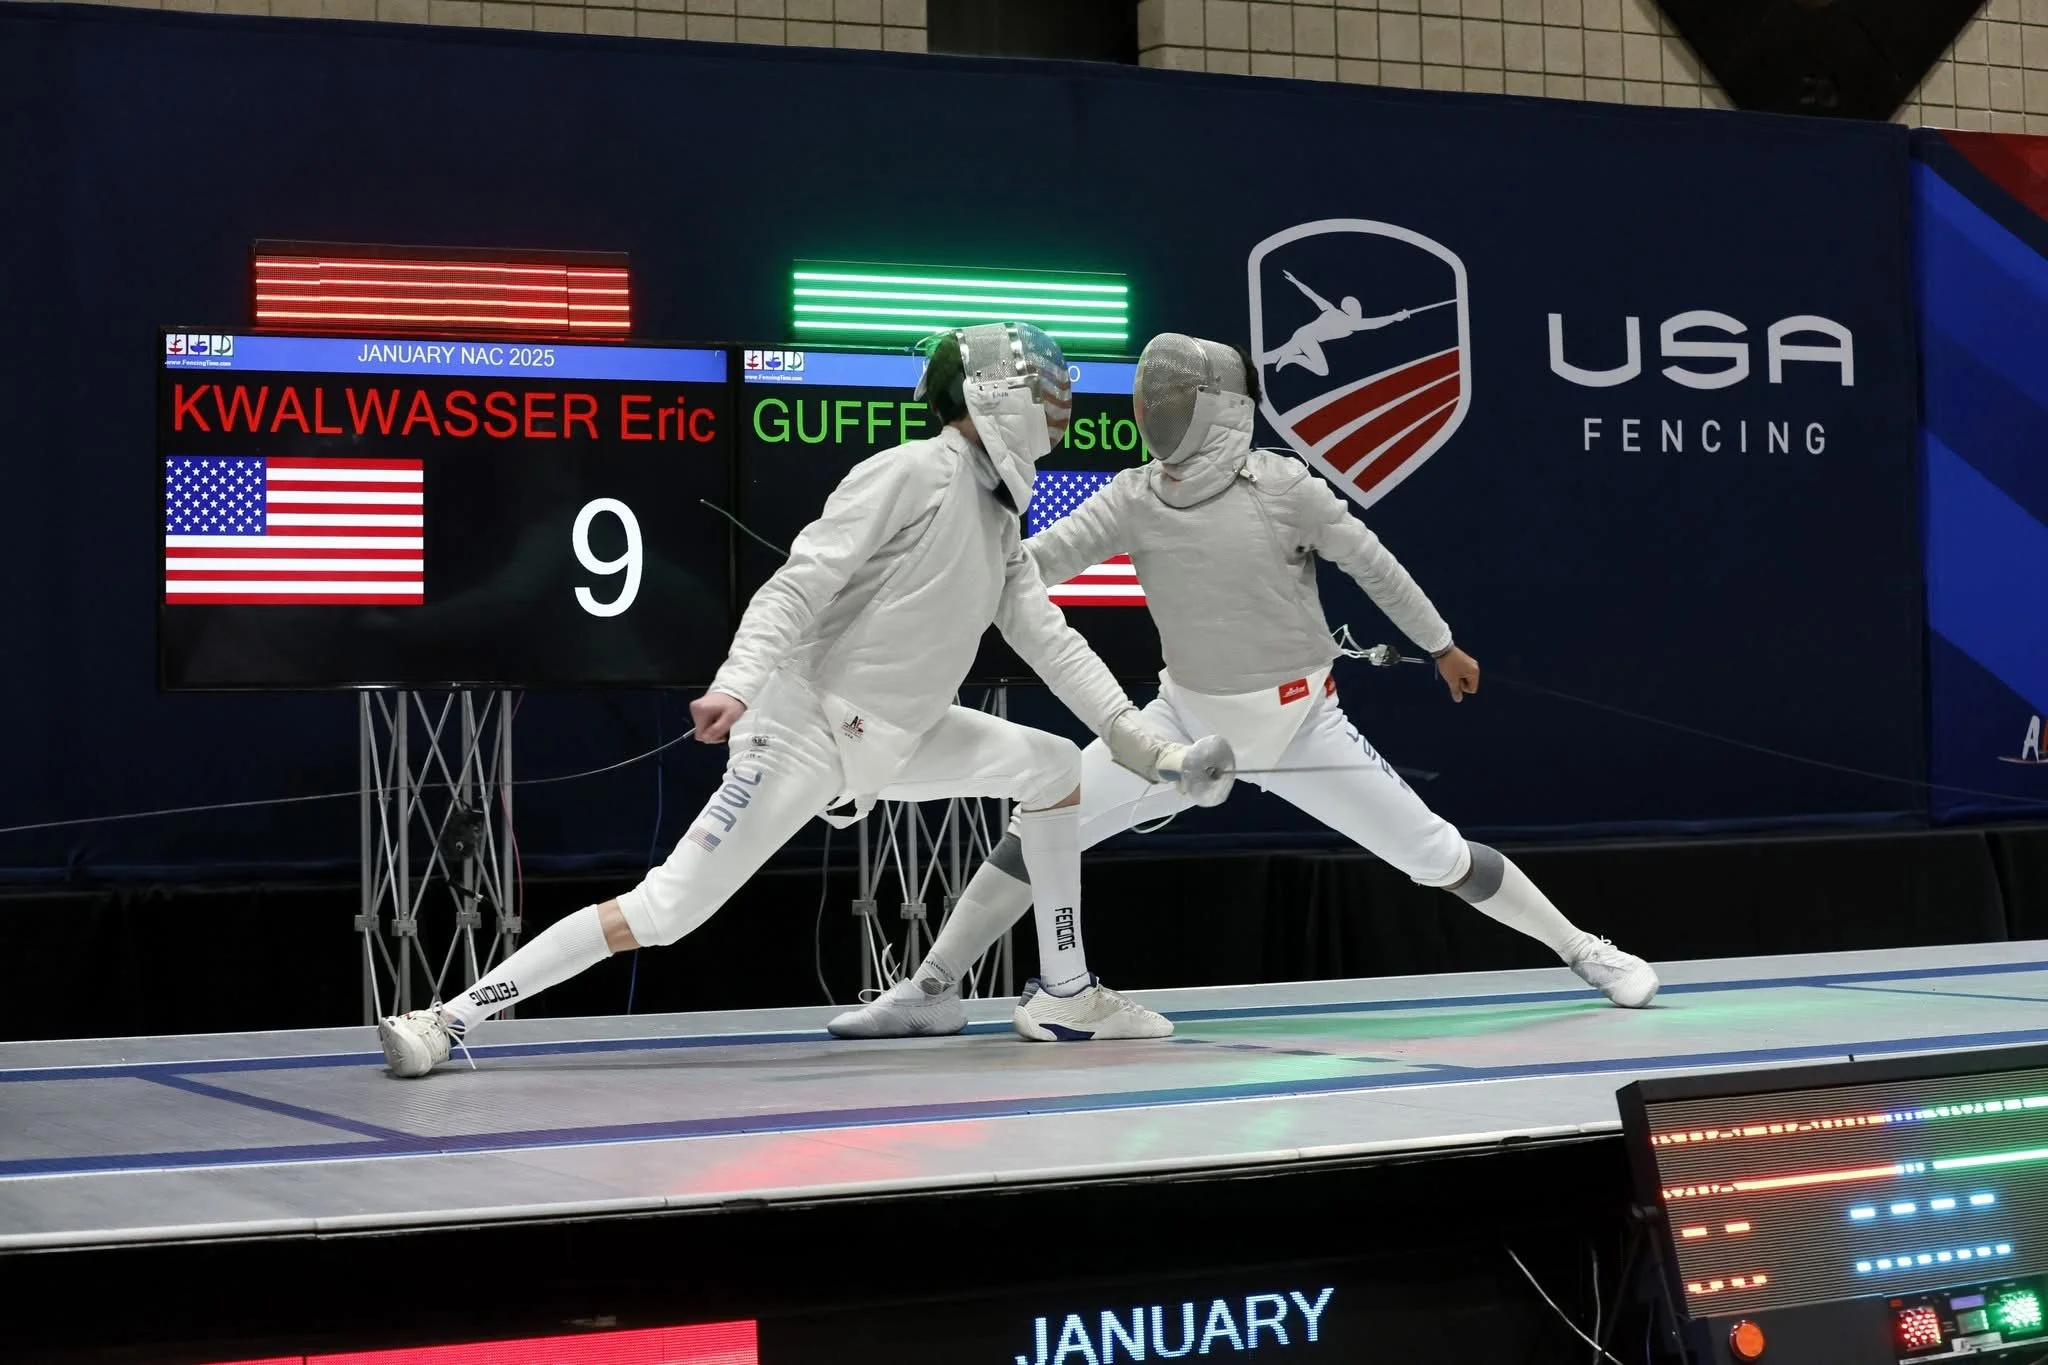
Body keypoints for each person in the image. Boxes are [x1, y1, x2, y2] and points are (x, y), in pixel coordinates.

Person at [375, 323, 1236, 1076]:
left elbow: (1055, 644)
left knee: (1051, 766)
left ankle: (1067, 992)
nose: (1059, 404)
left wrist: (1148, 749)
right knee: (668, 910)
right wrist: (737, 684)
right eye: (1044, 387)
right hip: (803, 731)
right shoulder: (911, 473)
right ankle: (446, 1019)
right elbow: (799, 585)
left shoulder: (998, 517)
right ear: (993, 394)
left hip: (898, 738)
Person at [829, 333, 1657, 1043]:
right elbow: (1032, 565)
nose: (1152, 409)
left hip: (1302, 728)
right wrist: (925, 574)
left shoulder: (1283, 488)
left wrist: (1440, 644)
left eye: (1171, 395)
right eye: (1150, 395)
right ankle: (934, 988)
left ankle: (1586, 949)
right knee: (1044, 823)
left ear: (1217, 405)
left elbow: (1373, 563)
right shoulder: (1134, 496)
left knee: (1437, 853)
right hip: (1181, 730)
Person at [1259, 270, 1413, 377]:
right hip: (1307, 339)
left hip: (1302, 334)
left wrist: (1295, 281)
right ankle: (1291, 359)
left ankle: (1247, 362)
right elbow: (1375, 323)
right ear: (1353, 310)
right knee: (1322, 370)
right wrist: (1396, 317)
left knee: (1270, 358)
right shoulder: (1350, 323)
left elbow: (1312, 294)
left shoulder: (1331, 309)